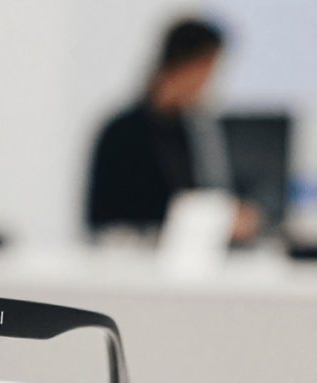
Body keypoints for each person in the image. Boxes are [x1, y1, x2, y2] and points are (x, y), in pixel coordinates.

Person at [87, 19, 261, 241]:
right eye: (208, 69)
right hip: (133, 255)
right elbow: (105, 219)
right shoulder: (121, 134)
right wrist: (216, 222)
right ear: (187, 65)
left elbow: (202, 196)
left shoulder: (192, 131)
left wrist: (226, 217)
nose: (209, 82)